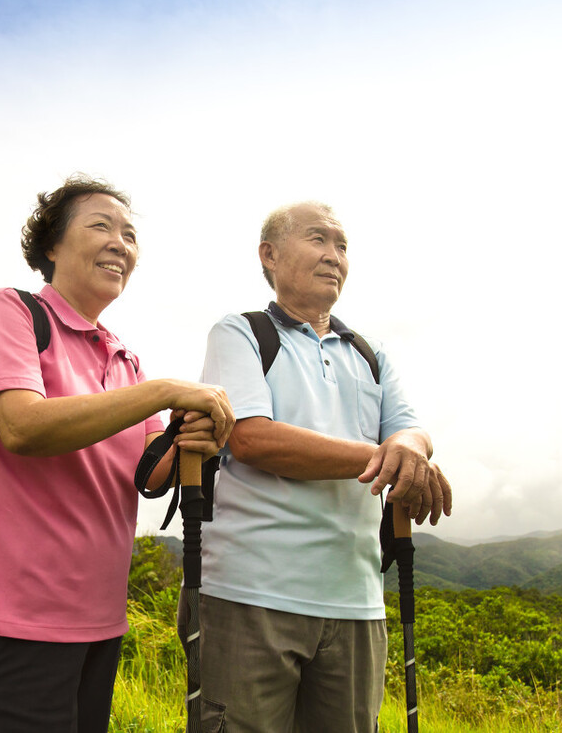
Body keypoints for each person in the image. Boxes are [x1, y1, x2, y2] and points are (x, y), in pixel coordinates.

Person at [0, 175, 235, 733]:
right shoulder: (12, 312)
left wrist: (194, 436)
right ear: (51, 246)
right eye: (100, 226)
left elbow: (150, 474)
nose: (120, 244)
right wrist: (165, 392)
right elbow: (21, 426)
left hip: (98, 617)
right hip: (16, 611)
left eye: (129, 235)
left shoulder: (123, 359)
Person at [189, 200, 453, 732]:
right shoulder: (240, 332)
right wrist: (391, 458)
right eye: (318, 239)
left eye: (342, 245)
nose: (334, 255)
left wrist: (410, 449)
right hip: (249, 594)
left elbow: (411, 428)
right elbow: (252, 437)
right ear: (269, 254)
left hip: (356, 601)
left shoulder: (370, 351)